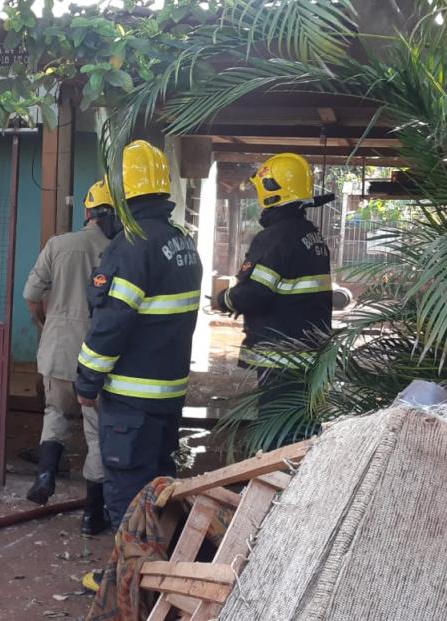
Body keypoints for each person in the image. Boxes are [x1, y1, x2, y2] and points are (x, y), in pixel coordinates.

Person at [74, 140, 203, 534]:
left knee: (129, 495)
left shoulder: (129, 247)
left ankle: (128, 587)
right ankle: (156, 575)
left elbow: (112, 323)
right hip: (169, 393)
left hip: (132, 401)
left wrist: (86, 380)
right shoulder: (181, 241)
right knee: (159, 488)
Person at [21, 180, 119, 536]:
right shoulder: (119, 249)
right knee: (96, 433)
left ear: (87, 212)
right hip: (99, 354)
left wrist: (46, 321)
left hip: (58, 347)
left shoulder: (58, 245)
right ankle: (93, 515)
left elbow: (31, 294)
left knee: (55, 412)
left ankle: (45, 475)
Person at [212, 152, 333, 409]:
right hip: (308, 350)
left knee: (276, 428)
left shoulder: (275, 237)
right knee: (300, 424)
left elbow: (255, 292)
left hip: (281, 354)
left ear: (271, 191)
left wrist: (225, 300)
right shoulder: (311, 235)